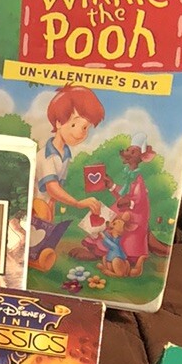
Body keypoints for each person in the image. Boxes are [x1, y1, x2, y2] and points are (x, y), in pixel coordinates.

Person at [29, 84, 106, 272]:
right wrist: (78, 203)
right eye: (74, 124)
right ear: (58, 123)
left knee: (44, 235)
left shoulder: (65, 154)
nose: (80, 132)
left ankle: (37, 259)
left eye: (85, 127)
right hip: (35, 205)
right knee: (34, 236)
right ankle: (32, 261)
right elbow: (52, 187)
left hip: (47, 205)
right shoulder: (47, 155)